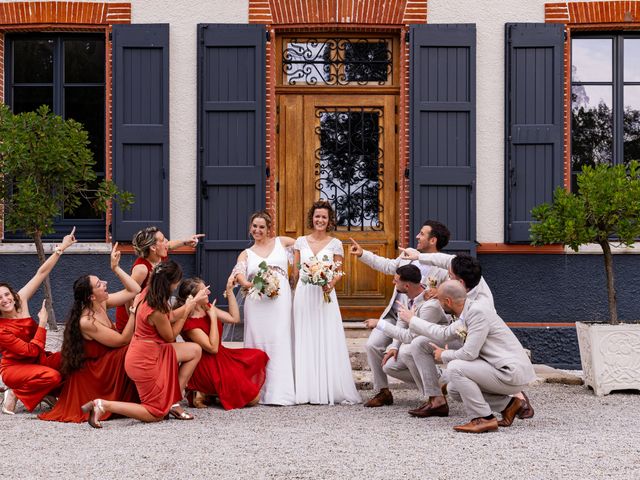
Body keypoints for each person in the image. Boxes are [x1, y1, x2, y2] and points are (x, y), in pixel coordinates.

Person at [400, 251, 534, 418]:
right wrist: (418, 257)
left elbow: (469, 352)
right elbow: (444, 333)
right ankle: (438, 401)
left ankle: (488, 415)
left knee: (456, 368)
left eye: (450, 277)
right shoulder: (463, 291)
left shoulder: (478, 307)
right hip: (469, 343)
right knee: (451, 386)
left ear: (460, 282)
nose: (447, 279)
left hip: (494, 360)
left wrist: (445, 355)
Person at [81, 260, 207, 428]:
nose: (177, 286)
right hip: (144, 361)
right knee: (155, 413)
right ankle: (102, 405)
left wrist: (191, 303)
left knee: (194, 351)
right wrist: (187, 309)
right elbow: (170, 336)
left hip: (152, 351)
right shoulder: (156, 307)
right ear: (171, 283)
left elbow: (169, 317)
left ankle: (173, 400)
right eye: (176, 282)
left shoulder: (150, 292)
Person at [350, 220, 449, 408]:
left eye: (422, 234)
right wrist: (363, 254)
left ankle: (437, 384)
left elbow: (449, 294)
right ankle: (383, 392)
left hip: (418, 321)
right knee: (372, 345)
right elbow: (387, 266)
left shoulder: (442, 267)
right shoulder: (408, 255)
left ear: (433, 240)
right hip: (393, 316)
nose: (417, 237)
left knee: (403, 354)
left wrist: (437, 292)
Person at [39, 243, 141, 423]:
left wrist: (116, 268)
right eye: (99, 284)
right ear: (91, 297)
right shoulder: (87, 321)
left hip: (106, 362)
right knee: (132, 347)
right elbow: (122, 340)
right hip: (94, 373)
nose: (105, 284)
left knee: (138, 345)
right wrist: (133, 312)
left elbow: (135, 290)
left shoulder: (102, 303)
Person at [0, 228, 77, 414]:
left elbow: (41, 273)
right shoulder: (2, 329)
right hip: (15, 369)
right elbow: (29, 351)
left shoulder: (21, 300)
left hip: (38, 360)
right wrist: (42, 323)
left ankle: (46, 393)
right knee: (53, 376)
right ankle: (15, 391)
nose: (5, 300)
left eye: (6, 294)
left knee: (72, 357)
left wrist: (61, 248)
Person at [292, 200, 360, 405]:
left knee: (324, 335)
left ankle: (326, 387)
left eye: (324, 217)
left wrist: (330, 284)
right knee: (304, 335)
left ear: (329, 220)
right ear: (311, 218)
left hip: (324, 294)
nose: (320, 220)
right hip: (304, 294)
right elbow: (295, 270)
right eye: (317, 216)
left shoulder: (335, 244)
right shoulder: (300, 242)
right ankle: (305, 389)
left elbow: (338, 270)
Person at [363, 265, 453, 417]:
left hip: (439, 342)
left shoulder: (429, 306)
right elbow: (401, 321)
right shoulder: (406, 295)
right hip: (419, 341)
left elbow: (412, 337)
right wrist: (393, 346)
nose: (393, 282)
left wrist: (380, 324)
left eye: (396, 280)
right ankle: (440, 381)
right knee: (390, 366)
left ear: (406, 285)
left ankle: (436, 398)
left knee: (408, 350)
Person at [231, 211, 296, 406]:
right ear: (250, 228)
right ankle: (255, 391)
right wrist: (254, 285)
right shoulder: (246, 253)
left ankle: (281, 392)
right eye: (254, 226)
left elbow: (305, 249)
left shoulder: (282, 242)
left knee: (280, 338)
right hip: (257, 302)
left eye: (261, 227)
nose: (257, 230)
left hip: (280, 300)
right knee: (258, 340)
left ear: (269, 229)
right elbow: (240, 276)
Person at [176, 277, 269, 410]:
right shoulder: (190, 323)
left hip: (222, 354)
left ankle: (210, 392)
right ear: (194, 297)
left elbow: (234, 318)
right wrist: (213, 318)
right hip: (206, 364)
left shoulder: (206, 307)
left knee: (258, 355)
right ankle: (204, 388)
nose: (209, 292)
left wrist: (229, 292)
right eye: (204, 291)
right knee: (253, 399)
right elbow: (212, 348)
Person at [114, 226, 204, 332]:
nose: (167, 241)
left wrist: (185, 242)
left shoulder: (159, 255)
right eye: (162, 240)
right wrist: (134, 322)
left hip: (150, 312)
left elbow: (169, 246)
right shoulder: (141, 269)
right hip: (131, 319)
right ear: (153, 248)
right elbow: (129, 296)